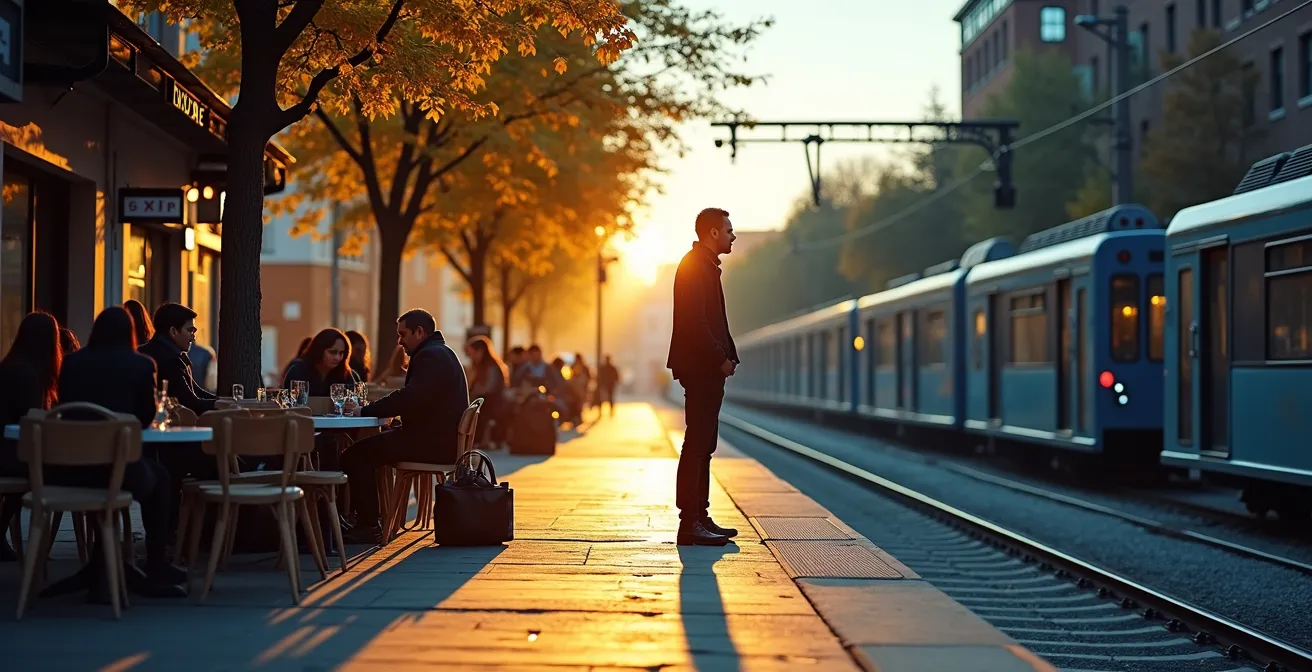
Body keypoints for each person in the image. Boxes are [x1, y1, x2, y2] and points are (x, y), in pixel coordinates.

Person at [55, 306, 185, 596]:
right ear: (131, 332)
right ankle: (155, 563)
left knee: (149, 474)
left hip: (68, 471)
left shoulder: (71, 363)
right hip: (117, 471)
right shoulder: (141, 365)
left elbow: (64, 410)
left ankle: (101, 566)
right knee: (161, 478)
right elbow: (144, 417)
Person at [341, 309, 469, 542]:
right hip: (441, 441)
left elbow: (409, 397)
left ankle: (367, 524)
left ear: (419, 332)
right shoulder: (441, 352)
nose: (399, 341)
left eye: (403, 334)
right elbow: (425, 402)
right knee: (369, 450)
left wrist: (365, 410)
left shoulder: (429, 356)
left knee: (355, 456)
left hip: (431, 445)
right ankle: (371, 518)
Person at [667, 207, 739, 546]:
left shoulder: (704, 266)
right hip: (701, 369)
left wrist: (730, 355)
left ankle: (700, 515)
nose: (732, 235)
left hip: (706, 368)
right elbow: (698, 324)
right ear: (712, 233)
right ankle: (689, 523)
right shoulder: (696, 267)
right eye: (728, 230)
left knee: (704, 445)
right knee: (696, 445)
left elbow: (713, 321)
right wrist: (720, 359)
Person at [0, 312, 63, 561]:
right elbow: (33, 419)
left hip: (8, 449)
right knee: (41, 470)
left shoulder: (10, 366)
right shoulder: (28, 375)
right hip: (10, 454)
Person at [138, 303, 217, 414]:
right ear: (173, 331)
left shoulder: (146, 351)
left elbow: (197, 392)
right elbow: (192, 404)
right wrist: (224, 404)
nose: (193, 337)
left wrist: (223, 400)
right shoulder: (169, 361)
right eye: (190, 330)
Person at [282, 328, 360, 396]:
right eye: (332, 352)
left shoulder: (346, 374)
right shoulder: (298, 371)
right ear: (319, 350)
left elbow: (354, 405)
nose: (337, 358)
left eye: (341, 353)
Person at [465, 335, 508, 447]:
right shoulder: (477, 366)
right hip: (484, 399)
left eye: (473, 353)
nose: (472, 357)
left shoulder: (492, 367)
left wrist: (474, 393)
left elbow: (489, 387)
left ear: (481, 351)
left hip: (492, 401)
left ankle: (483, 439)